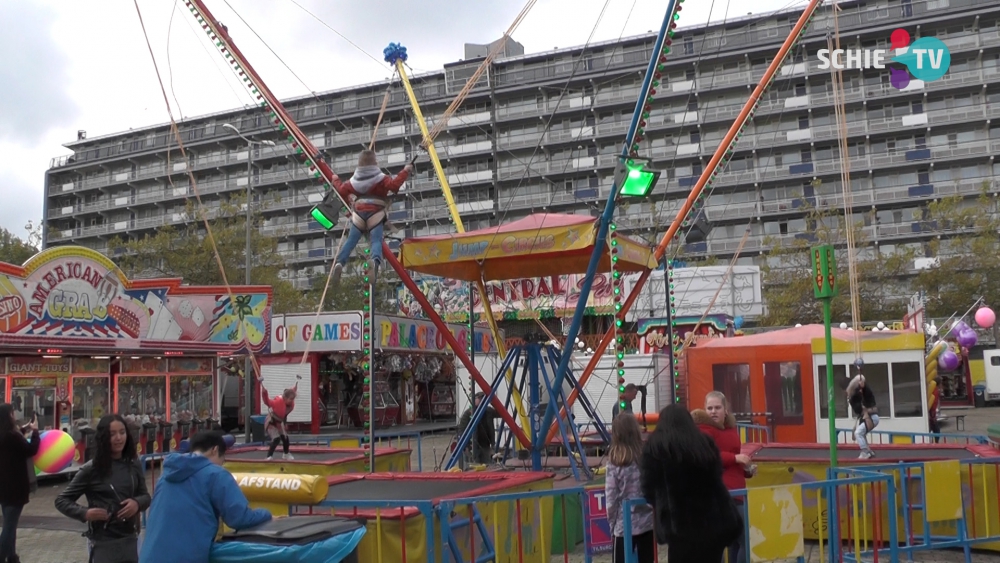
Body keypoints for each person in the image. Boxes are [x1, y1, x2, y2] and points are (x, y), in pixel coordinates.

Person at [139, 431, 271, 563]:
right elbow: (239, 518)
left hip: (149, 556)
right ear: (215, 450)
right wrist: (266, 514)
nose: (221, 464)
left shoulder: (166, 474)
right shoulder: (216, 474)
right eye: (222, 459)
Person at [640, 405, 742, 562]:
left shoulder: (655, 447)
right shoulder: (704, 442)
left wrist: (662, 503)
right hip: (713, 521)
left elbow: (648, 487)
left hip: (680, 527)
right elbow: (717, 474)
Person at [55, 414, 150, 563]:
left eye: (122, 432)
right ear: (103, 438)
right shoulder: (91, 469)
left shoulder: (133, 464)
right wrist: (85, 513)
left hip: (131, 539)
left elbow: (145, 496)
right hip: (103, 542)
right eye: (112, 434)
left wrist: (137, 503)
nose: (119, 438)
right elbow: (61, 500)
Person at [330, 150, 413, 284]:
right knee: (376, 241)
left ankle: (340, 263)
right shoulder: (381, 178)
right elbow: (394, 185)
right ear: (375, 163)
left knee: (351, 241)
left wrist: (335, 180)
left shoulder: (354, 180)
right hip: (376, 211)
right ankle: (374, 262)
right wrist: (405, 171)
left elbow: (341, 190)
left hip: (359, 212)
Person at [693, 391, 754, 563]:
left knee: (738, 541)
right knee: (727, 541)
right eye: (709, 408)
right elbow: (707, 457)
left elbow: (734, 463)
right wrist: (735, 458)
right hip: (718, 494)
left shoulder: (731, 429)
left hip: (738, 491)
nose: (713, 411)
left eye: (717, 407)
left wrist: (746, 470)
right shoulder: (703, 430)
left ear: (725, 410)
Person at [604, 413, 655, 563]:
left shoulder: (615, 462)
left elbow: (611, 498)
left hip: (623, 525)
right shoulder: (646, 458)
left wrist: (611, 523)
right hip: (647, 522)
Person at [0, 404, 39, 563]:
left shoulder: (5, 435)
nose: (14, 416)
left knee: (10, 524)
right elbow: (30, 450)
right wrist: (35, 432)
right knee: (9, 526)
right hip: (15, 487)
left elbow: (14, 441)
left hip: (3, 487)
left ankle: (12, 556)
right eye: (12, 413)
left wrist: (25, 428)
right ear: (9, 415)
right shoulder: (11, 436)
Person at [259, 374, 299, 461]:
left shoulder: (290, 401)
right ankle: (269, 456)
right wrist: (264, 392)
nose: (292, 401)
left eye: (293, 399)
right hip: (271, 422)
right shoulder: (277, 402)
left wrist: (296, 383)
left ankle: (286, 454)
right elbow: (267, 401)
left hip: (279, 422)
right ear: (285, 398)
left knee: (285, 438)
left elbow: (293, 389)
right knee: (276, 439)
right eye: (290, 399)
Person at [458, 392, 498, 465]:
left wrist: (493, 402)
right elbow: (462, 430)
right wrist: (466, 446)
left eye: (484, 398)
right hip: (472, 446)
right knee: (473, 465)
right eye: (479, 398)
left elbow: (500, 413)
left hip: (485, 445)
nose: (482, 400)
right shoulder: (468, 414)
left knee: (486, 464)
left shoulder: (489, 411)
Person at [847, 373, 879, 459]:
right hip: (870, 417)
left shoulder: (861, 393)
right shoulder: (857, 395)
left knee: (858, 433)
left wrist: (863, 387)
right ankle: (868, 451)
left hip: (871, 417)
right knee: (862, 434)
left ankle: (865, 451)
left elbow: (866, 394)